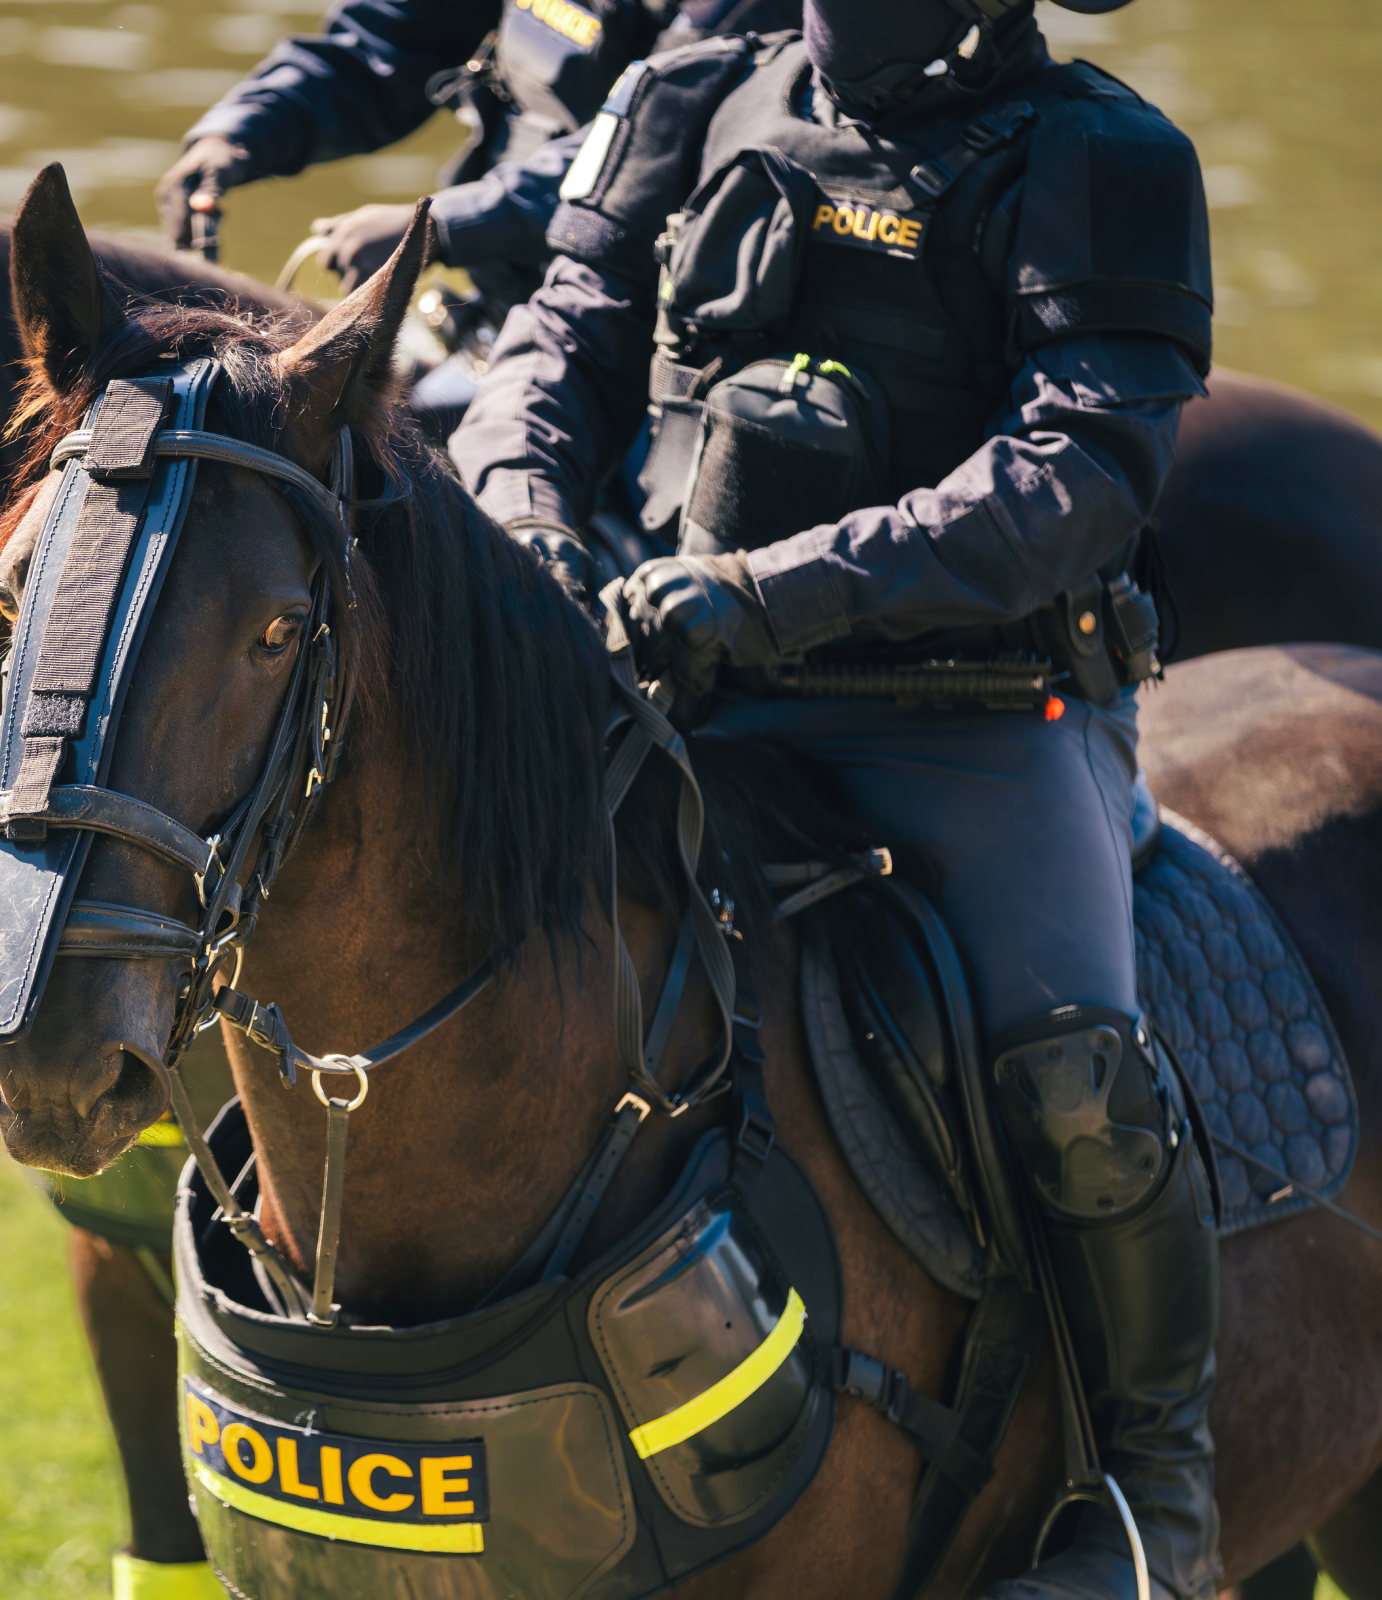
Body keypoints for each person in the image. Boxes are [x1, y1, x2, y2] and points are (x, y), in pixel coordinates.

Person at [449, 2, 1220, 1597]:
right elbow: (556, 337)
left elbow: (1070, 480)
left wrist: (766, 593)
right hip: (665, 679)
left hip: (977, 712)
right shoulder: (682, 94)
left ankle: (1155, 1494)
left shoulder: (1103, 155)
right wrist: (521, 510)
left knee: (1074, 1082)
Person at [156, 0, 799, 311]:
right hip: (498, 298)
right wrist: (236, 134)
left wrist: (444, 226)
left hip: (641, 330)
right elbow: (381, 47)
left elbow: (670, 143)